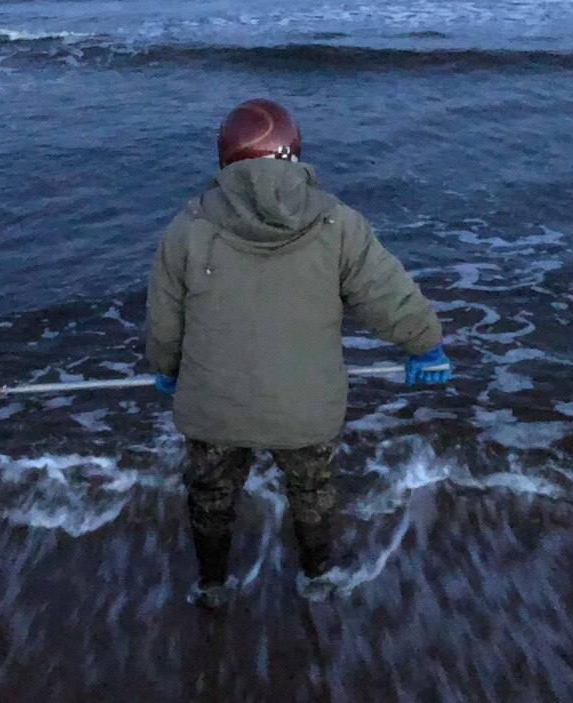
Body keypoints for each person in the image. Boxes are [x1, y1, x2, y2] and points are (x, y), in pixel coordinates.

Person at [144, 98, 451, 607]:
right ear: (295, 152)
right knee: (312, 494)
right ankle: (316, 576)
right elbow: (387, 294)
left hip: (214, 406)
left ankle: (213, 584)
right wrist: (426, 345)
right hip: (306, 410)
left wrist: (165, 368)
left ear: (225, 158)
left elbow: (164, 321)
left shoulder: (187, 229)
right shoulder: (339, 224)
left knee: (211, 496)